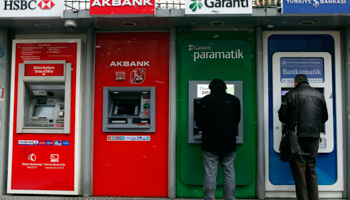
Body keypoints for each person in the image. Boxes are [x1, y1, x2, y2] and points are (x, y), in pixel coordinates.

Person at [278, 74, 328, 200]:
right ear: (307, 81)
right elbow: (325, 117)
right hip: (314, 137)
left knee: (299, 172)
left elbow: (282, 116)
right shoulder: (319, 95)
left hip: (297, 138)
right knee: (311, 170)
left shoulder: (290, 94)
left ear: (295, 83)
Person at [195, 79, 241, 200]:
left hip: (210, 141)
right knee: (229, 172)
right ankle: (230, 198)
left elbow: (198, 121)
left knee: (210, 173)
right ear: (225, 88)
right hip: (229, 141)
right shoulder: (234, 100)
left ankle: (210, 198)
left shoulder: (205, 100)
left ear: (211, 88)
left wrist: (207, 128)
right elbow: (237, 120)